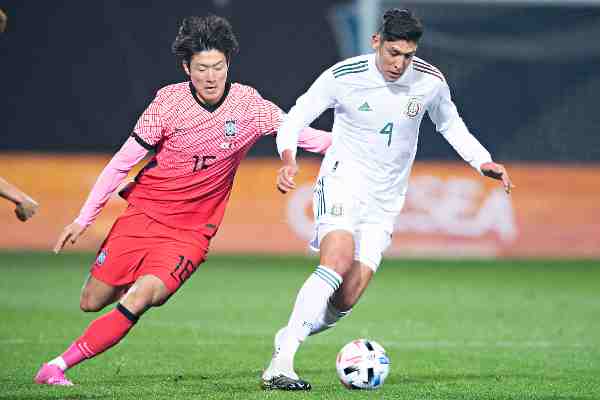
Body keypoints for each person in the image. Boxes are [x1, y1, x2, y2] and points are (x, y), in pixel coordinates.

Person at [34, 15, 331, 386]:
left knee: (143, 296)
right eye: (202, 68)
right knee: (91, 301)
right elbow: (120, 163)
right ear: (186, 68)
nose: (211, 76)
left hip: (190, 233)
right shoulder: (167, 105)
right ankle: (136, 282)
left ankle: (56, 367)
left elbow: (305, 137)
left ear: (229, 65)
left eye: (219, 67)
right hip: (143, 214)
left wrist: (360, 146)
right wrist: (84, 218)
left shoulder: (248, 105)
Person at [262, 8, 514, 391]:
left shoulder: (429, 82)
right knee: (337, 259)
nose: (400, 63)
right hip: (342, 180)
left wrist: (482, 161)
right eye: (393, 53)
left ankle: (290, 333)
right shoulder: (342, 77)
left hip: (385, 201)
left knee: (346, 298)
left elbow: (450, 123)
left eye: (408, 55)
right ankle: (281, 364)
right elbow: (294, 118)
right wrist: (288, 159)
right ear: (375, 42)